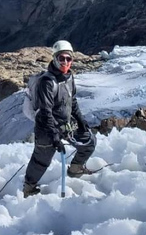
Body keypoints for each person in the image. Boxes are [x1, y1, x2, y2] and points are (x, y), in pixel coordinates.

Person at [23, 40, 97, 198]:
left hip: (65, 125)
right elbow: (45, 111)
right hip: (46, 128)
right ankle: (28, 188)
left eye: (68, 59)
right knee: (41, 160)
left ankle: (75, 168)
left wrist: (81, 120)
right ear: (55, 58)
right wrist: (54, 135)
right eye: (61, 58)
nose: (65, 62)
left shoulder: (69, 78)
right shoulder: (47, 82)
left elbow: (72, 101)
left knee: (89, 142)